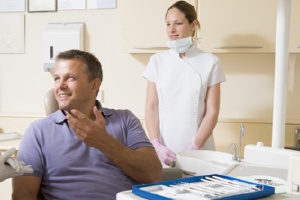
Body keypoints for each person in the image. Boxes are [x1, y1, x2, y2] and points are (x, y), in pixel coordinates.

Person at [12, 49, 162, 200]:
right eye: (57, 79)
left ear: (94, 85)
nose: (60, 86)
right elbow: (23, 194)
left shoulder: (125, 120)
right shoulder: (38, 131)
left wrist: (104, 142)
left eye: (69, 78)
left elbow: (153, 175)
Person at [143, 0, 226, 167]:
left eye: (178, 23)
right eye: (168, 24)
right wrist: (156, 144)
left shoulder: (210, 62)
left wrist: (195, 146)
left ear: (193, 24)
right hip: (165, 150)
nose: (171, 30)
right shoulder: (157, 61)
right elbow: (151, 107)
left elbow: (212, 111)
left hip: (200, 151)